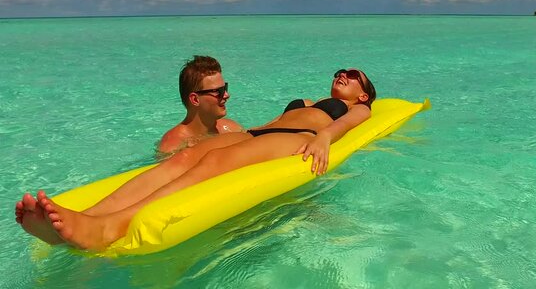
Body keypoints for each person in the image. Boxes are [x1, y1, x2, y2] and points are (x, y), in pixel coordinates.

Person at [16, 68, 376, 251]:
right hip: (259, 133)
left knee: (212, 166)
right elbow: (271, 124)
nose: (342, 75)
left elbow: (347, 125)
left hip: (299, 141)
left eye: (352, 77)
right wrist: (239, 133)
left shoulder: (357, 109)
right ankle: (88, 216)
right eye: (339, 72)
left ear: (363, 95)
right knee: (182, 158)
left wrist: (326, 138)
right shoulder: (309, 101)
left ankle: (108, 228)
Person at [157, 55, 243, 158]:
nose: (226, 95)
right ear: (195, 99)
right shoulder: (172, 147)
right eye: (217, 91)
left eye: (225, 88)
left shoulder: (231, 128)